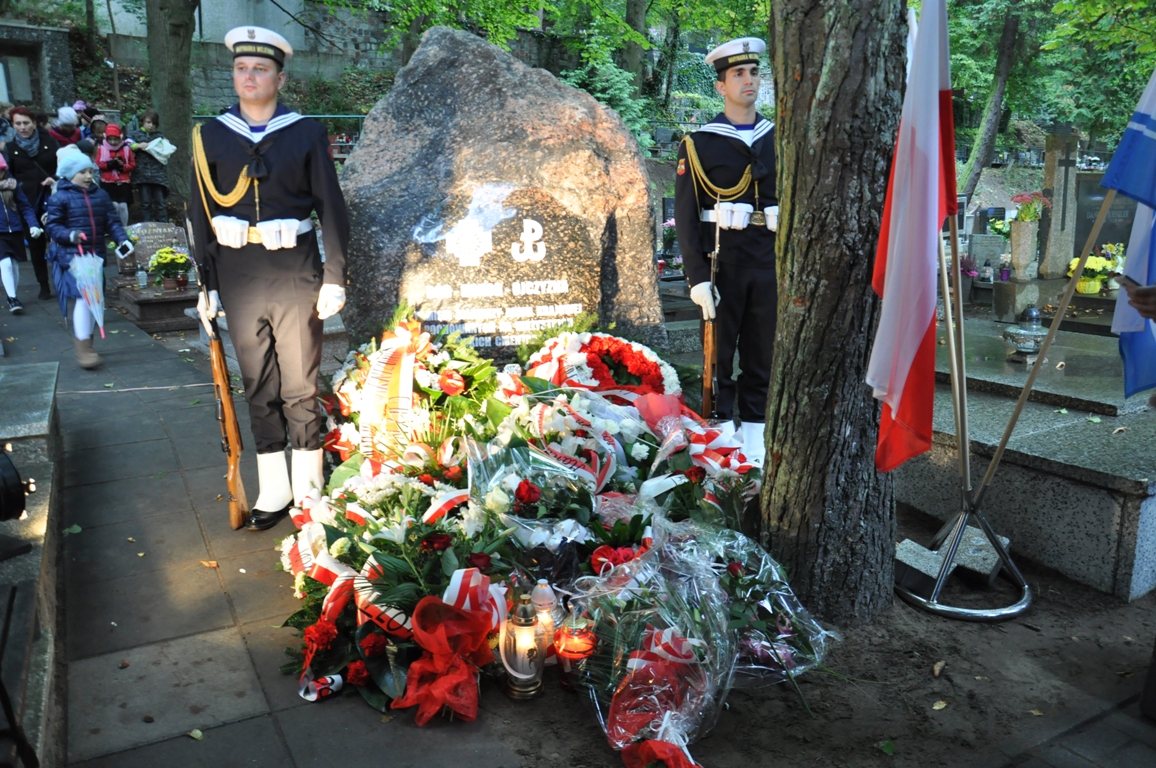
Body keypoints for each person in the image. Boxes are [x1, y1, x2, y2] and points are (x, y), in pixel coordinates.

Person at [190, 26, 350, 531]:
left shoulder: (306, 132)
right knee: (257, 382)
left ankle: (307, 489)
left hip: (293, 272)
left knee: (300, 382)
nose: (249, 76)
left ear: (280, 77)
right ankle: (273, 488)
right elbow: (199, 212)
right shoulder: (210, 135)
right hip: (237, 276)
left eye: (260, 68)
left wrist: (334, 276)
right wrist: (206, 283)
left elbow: (332, 206)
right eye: (241, 68)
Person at [673, 37, 778, 464]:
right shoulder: (699, 144)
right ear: (721, 86)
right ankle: (721, 444)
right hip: (722, 265)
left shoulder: (779, 139)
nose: (748, 80)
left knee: (763, 356)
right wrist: (697, 279)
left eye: (753, 72)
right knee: (719, 360)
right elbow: (685, 215)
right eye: (738, 74)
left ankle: (757, 446)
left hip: (770, 263)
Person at [44, 152, 130, 368]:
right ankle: (83, 348)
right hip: (73, 259)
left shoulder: (100, 196)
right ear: (69, 174)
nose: (88, 176)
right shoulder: (59, 198)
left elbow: (112, 221)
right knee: (84, 298)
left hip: (95, 257)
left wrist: (122, 239)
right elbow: (53, 227)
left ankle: (88, 343)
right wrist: (70, 235)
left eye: (90, 171)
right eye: (82, 172)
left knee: (95, 300)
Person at [4, 107, 58, 300]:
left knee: (60, 240)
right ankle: (43, 284)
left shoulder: (50, 143)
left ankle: (65, 279)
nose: (22, 127)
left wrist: (55, 178)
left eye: (26, 123)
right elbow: (7, 174)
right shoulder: (10, 148)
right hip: (27, 203)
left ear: (34, 123)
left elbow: (63, 167)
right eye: (18, 123)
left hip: (52, 200)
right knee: (35, 246)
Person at [0, 154, 42, 312]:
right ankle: (12, 298)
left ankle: (13, 294)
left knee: (15, 265)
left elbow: (25, 206)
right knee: (5, 264)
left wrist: (33, 224)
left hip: (15, 230)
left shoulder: (13, 185)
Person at [128, 110, 169, 222]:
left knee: (160, 203)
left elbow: (167, 150)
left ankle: (164, 226)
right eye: (148, 122)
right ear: (142, 122)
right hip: (142, 175)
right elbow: (127, 144)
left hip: (158, 175)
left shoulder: (159, 136)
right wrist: (138, 146)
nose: (151, 125)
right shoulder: (135, 134)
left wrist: (165, 144)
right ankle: (148, 227)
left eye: (154, 123)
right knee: (145, 203)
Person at [97, 124, 134, 226]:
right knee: (113, 206)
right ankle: (112, 227)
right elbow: (98, 163)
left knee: (123, 206)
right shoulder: (101, 148)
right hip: (108, 181)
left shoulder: (126, 148)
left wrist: (123, 167)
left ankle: (125, 228)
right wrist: (109, 165)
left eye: (115, 139)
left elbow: (132, 164)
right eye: (110, 139)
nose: (113, 142)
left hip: (123, 182)